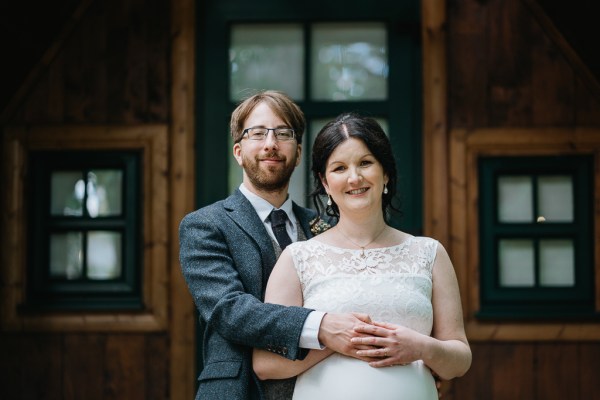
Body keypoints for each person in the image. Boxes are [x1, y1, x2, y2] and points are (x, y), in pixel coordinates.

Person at [252, 113, 472, 399]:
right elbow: (265, 364)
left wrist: (419, 347)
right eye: (339, 168)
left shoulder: (429, 253)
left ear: (386, 173)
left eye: (365, 163)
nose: (354, 178)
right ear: (325, 182)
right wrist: (336, 341)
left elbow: (460, 359)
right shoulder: (298, 259)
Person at [179, 91, 379, 400]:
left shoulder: (326, 227)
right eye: (257, 133)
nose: (271, 143)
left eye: (283, 133)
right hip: (237, 391)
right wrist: (321, 326)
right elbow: (229, 311)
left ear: (298, 153)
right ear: (237, 151)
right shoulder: (205, 225)